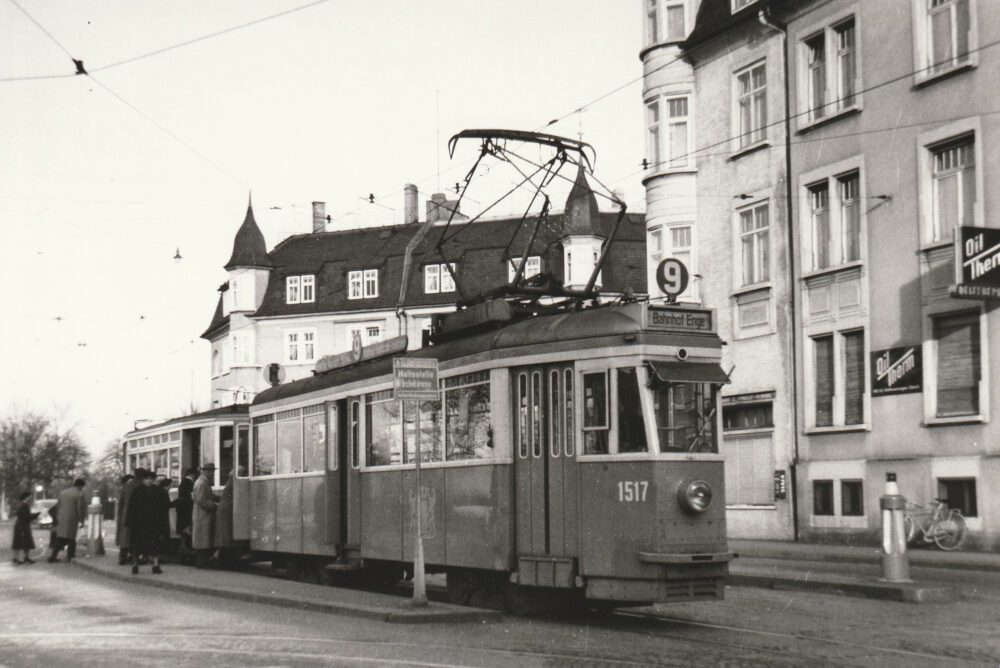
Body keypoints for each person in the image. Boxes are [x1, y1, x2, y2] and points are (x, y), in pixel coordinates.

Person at [125, 469, 169, 574]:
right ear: (142, 480)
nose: (149, 481)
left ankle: (155, 565)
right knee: (137, 545)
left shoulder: (157, 491)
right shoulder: (137, 491)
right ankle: (135, 565)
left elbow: (162, 507)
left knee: (155, 545)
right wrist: (130, 521)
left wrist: (162, 522)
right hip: (139, 523)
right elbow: (131, 507)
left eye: (151, 479)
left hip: (153, 523)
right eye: (146, 479)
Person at [49, 478, 87, 563]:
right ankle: (70, 555)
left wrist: (58, 516)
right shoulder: (80, 494)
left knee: (61, 537)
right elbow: (80, 508)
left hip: (61, 518)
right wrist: (81, 520)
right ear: (80, 486)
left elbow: (58, 506)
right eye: (82, 487)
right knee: (71, 537)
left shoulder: (63, 493)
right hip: (72, 519)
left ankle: (53, 556)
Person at [192, 462, 218, 569]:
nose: (212, 473)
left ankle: (203, 562)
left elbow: (207, 496)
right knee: (204, 539)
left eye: (212, 471)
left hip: (202, 515)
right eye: (211, 471)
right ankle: (202, 563)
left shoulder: (203, 482)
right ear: (206, 471)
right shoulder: (202, 483)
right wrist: (214, 506)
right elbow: (201, 500)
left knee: (204, 539)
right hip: (203, 515)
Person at [213, 467, 238, 568]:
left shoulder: (229, 482)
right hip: (228, 512)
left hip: (225, 511)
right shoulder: (233, 483)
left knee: (224, 537)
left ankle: (217, 557)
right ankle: (218, 558)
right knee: (226, 537)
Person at [172, 467, 196, 556]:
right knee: (187, 527)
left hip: (182, 508)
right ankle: (185, 547)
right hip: (186, 508)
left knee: (184, 528)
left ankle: (184, 547)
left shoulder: (183, 482)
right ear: (192, 475)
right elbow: (190, 496)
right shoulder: (189, 482)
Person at [11, 492, 39, 564]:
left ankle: (17, 558)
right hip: (23, 526)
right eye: (30, 497)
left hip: (20, 525)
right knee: (23, 541)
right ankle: (23, 557)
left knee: (19, 541)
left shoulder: (20, 504)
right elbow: (27, 517)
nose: (31, 499)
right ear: (26, 497)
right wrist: (36, 515)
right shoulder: (24, 505)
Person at [115, 474, 136, 565]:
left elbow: (120, 505)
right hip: (127, 516)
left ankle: (122, 557)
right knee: (128, 537)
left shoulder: (123, 489)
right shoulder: (127, 488)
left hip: (124, 516)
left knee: (125, 537)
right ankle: (126, 557)